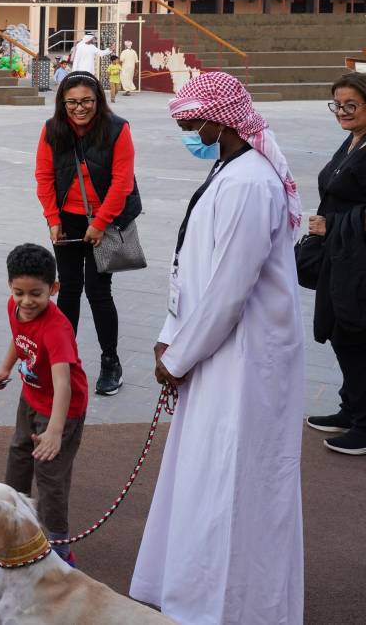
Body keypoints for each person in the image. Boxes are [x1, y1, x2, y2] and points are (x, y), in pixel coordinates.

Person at [130, 72, 305, 624]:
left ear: (217, 120)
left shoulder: (250, 182)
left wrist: (179, 357)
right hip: (214, 351)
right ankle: (194, 594)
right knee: (204, 474)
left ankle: (238, 606)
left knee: (235, 479)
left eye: (189, 120)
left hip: (245, 358)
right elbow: (194, 266)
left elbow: (229, 288)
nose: (184, 128)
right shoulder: (227, 170)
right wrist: (170, 333)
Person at [35, 71, 140, 395]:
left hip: (105, 220)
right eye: (72, 102)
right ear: (62, 103)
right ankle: (63, 361)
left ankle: (111, 361)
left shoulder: (117, 129)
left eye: (86, 101)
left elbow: (122, 181)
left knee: (98, 290)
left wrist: (100, 222)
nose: (79, 108)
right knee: (68, 289)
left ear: (98, 100)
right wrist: (52, 219)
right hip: (67, 221)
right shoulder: (52, 129)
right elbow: (44, 176)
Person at [0, 243, 89, 568]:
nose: (27, 302)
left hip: (62, 409)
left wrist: (55, 431)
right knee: (18, 454)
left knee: (49, 475)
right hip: (31, 395)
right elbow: (19, 339)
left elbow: (63, 384)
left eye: (36, 294)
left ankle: (59, 545)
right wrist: (5, 368)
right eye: (19, 292)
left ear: (53, 288)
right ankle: (12, 518)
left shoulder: (57, 329)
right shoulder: (14, 306)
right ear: (10, 286)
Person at [305, 72, 366, 455]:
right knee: (339, 331)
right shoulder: (354, 140)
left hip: (358, 259)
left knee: (354, 335)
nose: (342, 112)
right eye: (337, 105)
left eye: (351, 105)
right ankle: (352, 408)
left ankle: (364, 424)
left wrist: (334, 225)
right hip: (340, 255)